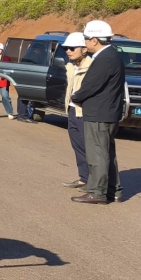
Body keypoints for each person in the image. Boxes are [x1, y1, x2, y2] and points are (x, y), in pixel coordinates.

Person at [70, 20, 125, 204]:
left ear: (94, 40)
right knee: (107, 152)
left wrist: (76, 97)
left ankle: (96, 192)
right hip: (108, 112)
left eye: (86, 38)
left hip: (99, 113)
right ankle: (113, 191)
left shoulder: (104, 58)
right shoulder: (112, 55)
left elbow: (90, 85)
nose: (85, 42)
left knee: (97, 154)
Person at [60, 31, 91, 189]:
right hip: (72, 111)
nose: (68, 51)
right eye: (66, 48)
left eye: (72, 48)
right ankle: (84, 178)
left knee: (89, 148)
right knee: (77, 145)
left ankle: (95, 182)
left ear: (84, 49)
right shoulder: (71, 66)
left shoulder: (92, 67)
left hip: (85, 113)